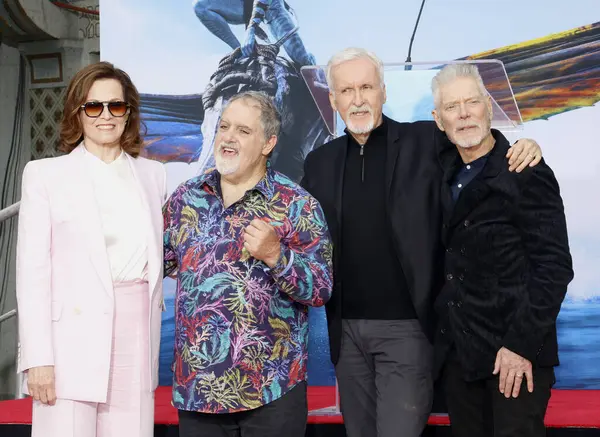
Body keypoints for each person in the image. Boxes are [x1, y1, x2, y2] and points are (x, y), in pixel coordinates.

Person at [300, 47, 543, 437]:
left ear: (383, 91)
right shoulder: (319, 162)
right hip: (345, 334)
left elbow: (479, 144)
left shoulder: (425, 141)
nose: (358, 99)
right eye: (346, 90)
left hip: (408, 331)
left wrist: (524, 147)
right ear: (333, 99)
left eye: (366, 87)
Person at [163, 90, 333, 437]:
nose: (228, 136)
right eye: (224, 126)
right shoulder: (185, 198)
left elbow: (320, 288)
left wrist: (277, 255)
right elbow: (154, 263)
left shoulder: (296, 205)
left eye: (243, 130)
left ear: (268, 143)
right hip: (198, 391)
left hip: (271, 391)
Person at [16, 61, 167, 437]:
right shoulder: (45, 175)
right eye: (93, 106)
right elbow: (32, 274)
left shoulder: (153, 176)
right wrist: (38, 359)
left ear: (128, 112)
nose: (105, 116)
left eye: (115, 106)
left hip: (136, 338)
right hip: (70, 343)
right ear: (77, 113)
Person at [431, 63, 574, 437]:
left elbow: (554, 268)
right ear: (438, 119)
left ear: (489, 107)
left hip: (514, 359)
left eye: (472, 102)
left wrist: (519, 346)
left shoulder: (526, 171)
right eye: (451, 107)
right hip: (461, 358)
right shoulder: (440, 169)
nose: (463, 114)